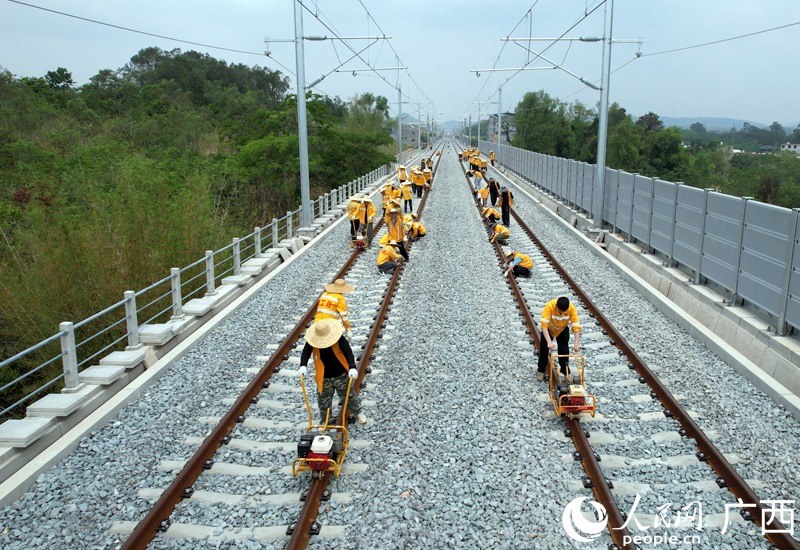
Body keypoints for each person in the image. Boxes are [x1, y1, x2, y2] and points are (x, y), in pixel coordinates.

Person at [298, 319, 367, 425]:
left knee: (348, 395)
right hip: (324, 376)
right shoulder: (313, 340)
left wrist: (352, 366)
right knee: (323, 400)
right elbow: (306, 352)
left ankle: (358, 413)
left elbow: (347, 351)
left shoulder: (338, 338)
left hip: (340, 374)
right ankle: (326, 421)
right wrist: (303, 365)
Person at [536, 297, 581, 382]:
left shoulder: (571, 308)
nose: (561, 313)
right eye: (560, 310)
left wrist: (576, 343)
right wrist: (549, 342)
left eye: (564, 311)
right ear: (556, 305)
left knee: (564, 350)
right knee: (544, 350)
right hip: (549, 329)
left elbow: (576, 326)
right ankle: (541, 371)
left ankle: (565, 372)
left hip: (562, 329)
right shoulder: (550, 306)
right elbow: (544, 326)